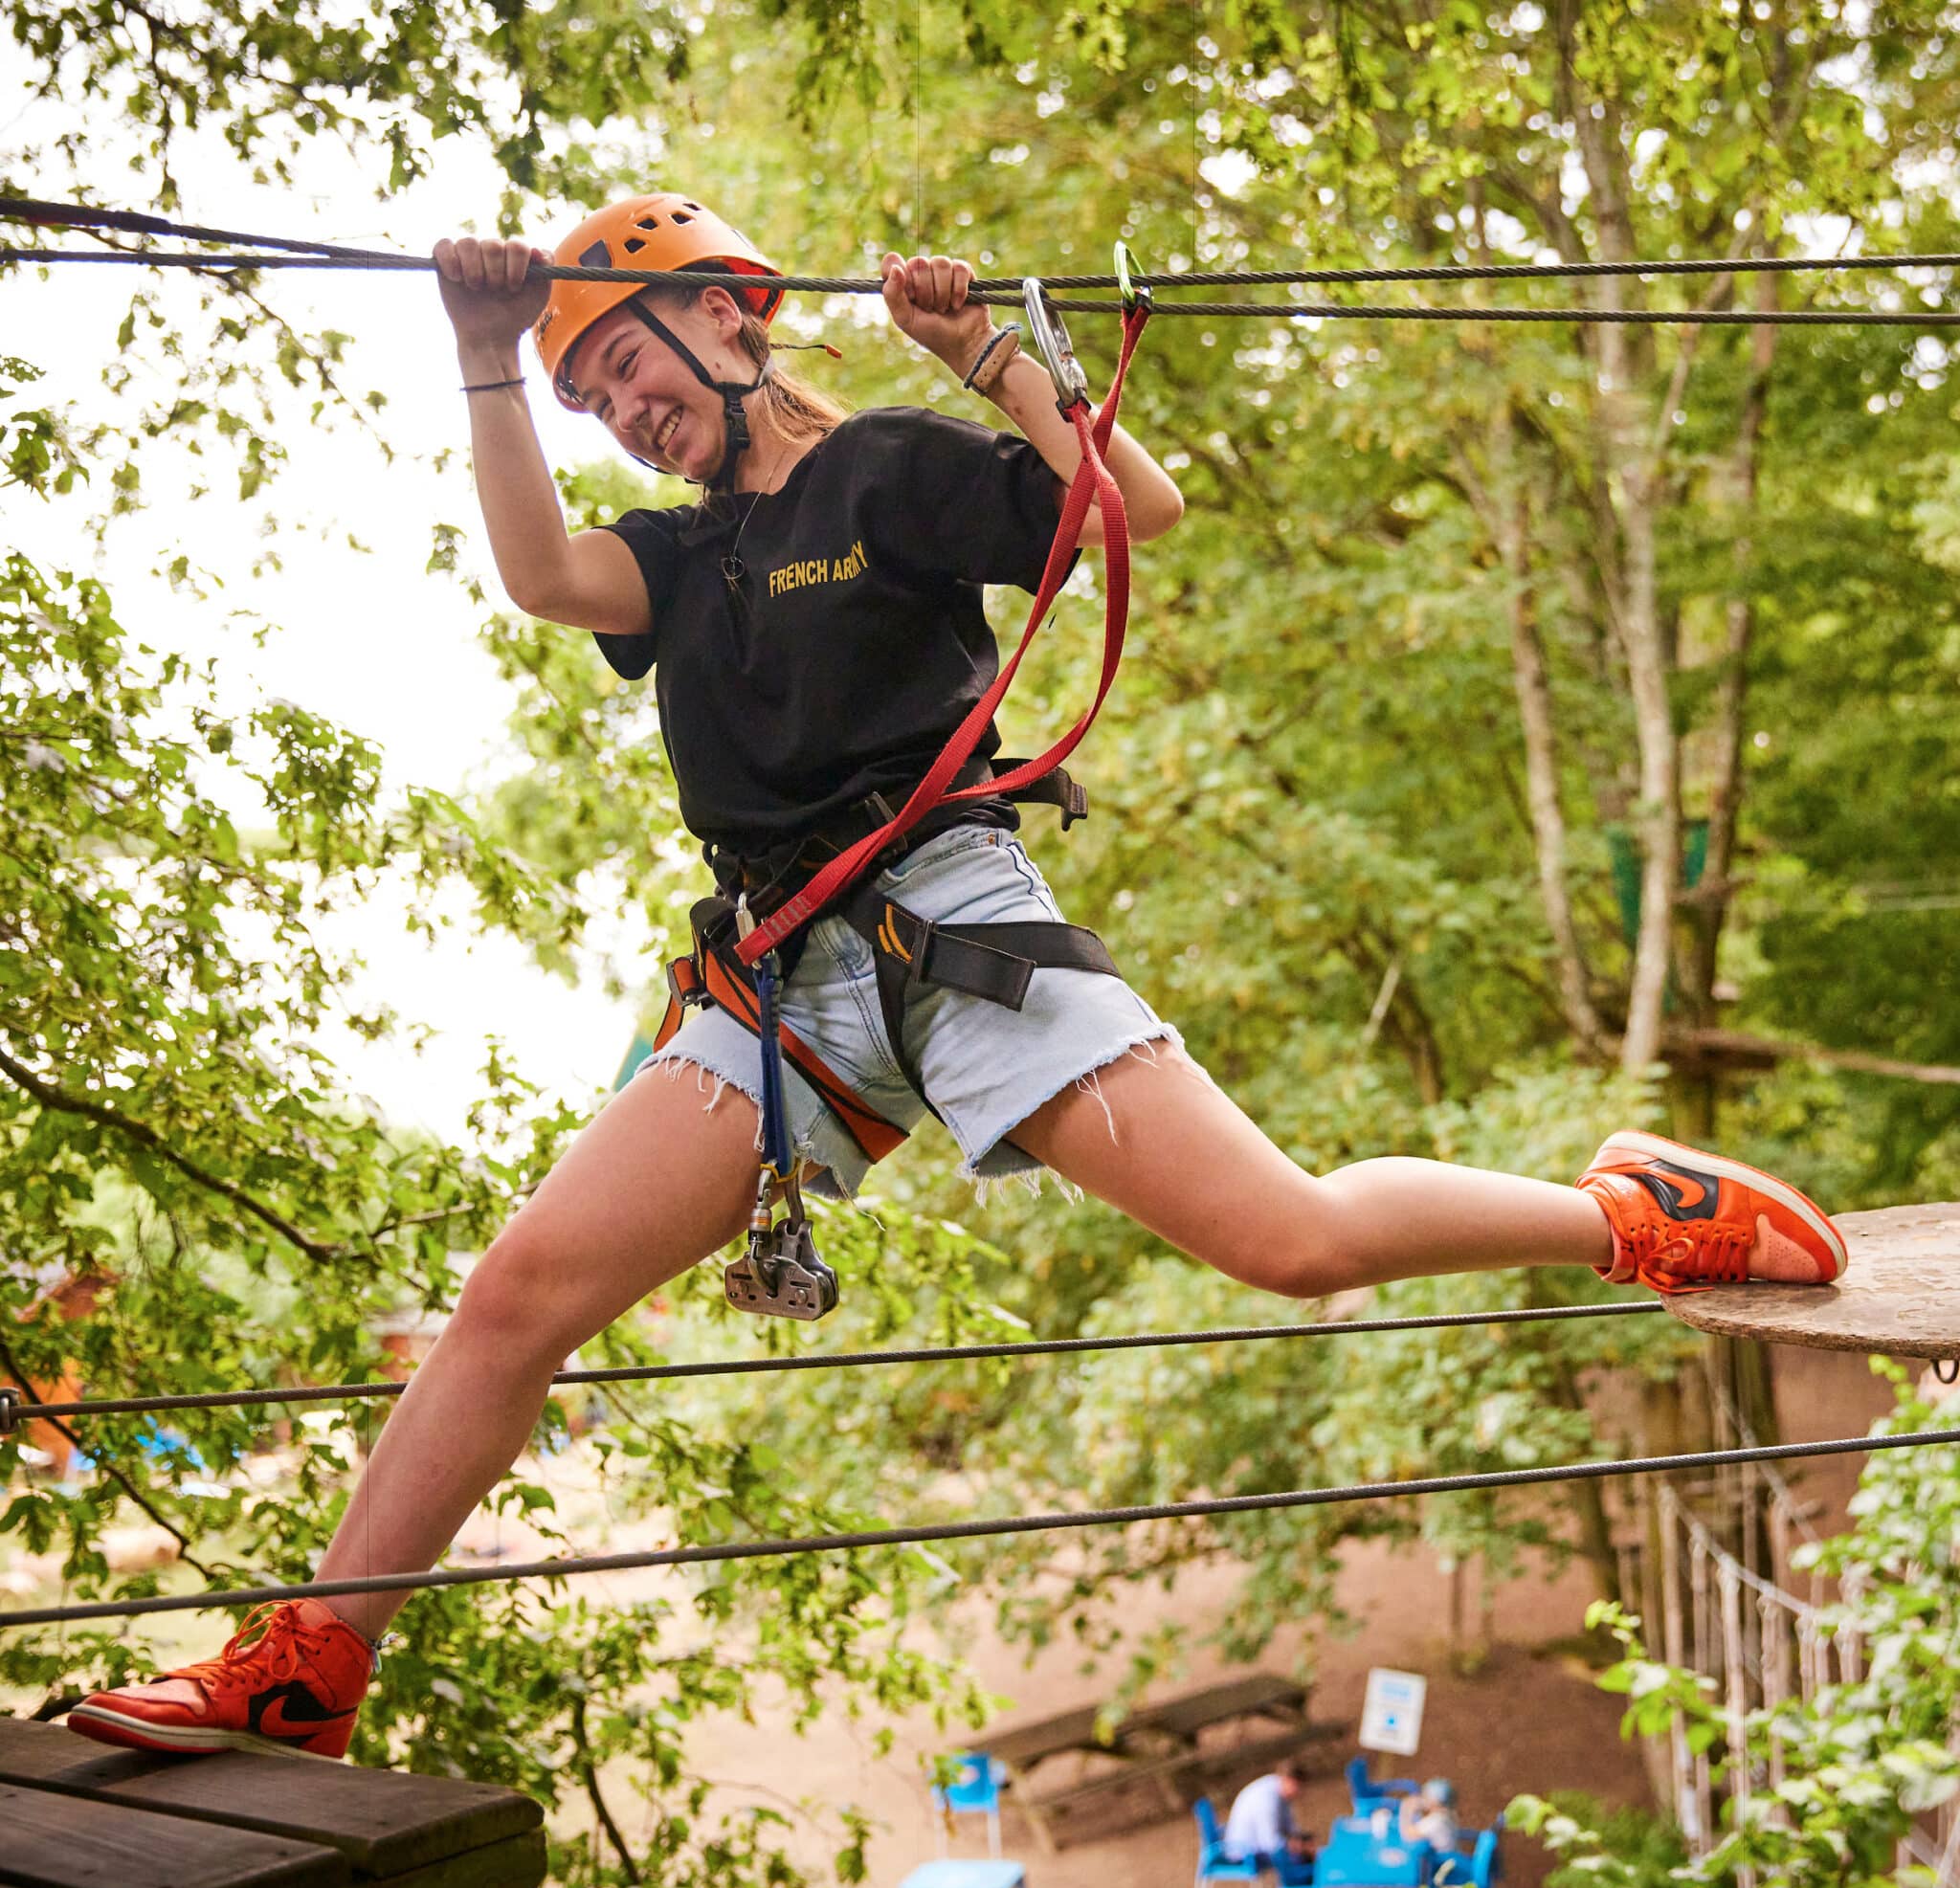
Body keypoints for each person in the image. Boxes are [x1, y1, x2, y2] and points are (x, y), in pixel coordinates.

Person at [67, 193, 1850, 1760]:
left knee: (1292, 1243)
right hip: (778, 983)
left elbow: (1123, 508)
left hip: (952, 926)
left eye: (630, 364)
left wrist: (989, 351)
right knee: (517, 1290)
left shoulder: (886, 472)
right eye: (594, 397)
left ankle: (1630, 1212)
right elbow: (541, 572)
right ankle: (306, 1664)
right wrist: (479, 355)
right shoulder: (675, 558)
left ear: (733, 317)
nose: (625, 411)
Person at [1222, 1762, 1316, 1884]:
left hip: (1258, 1846)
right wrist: (1301, 1847)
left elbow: (1291, 1829)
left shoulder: (1280, 1792)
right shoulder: (1267, 1799)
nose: (1300, 1792)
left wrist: (1305, 1841)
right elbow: (1271, 1843)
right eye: (1299, 1787)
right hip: (1245, 1853)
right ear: (1288, 1780)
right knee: (1299, 1860)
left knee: (1304, 1853)